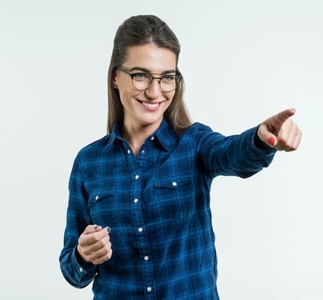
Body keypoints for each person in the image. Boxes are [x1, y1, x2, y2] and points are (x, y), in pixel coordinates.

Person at [59, 15, 301, 300]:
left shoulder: (195, 143)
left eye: (166, 78)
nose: (154, 91)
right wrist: (83, 255)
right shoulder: (89, 162)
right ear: (115, 76)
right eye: (140, 75)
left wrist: (261, 140)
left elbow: (232, 154)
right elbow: (72, 270)